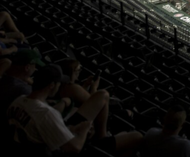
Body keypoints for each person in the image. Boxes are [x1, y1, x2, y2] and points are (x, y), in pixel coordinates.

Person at [6, 64, 141, 155]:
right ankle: (102, 139)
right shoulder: (47, 114)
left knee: (102, 95)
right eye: (59, 83)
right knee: (137, 136)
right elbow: (74, 148)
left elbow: (42, 129)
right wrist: (84, 129)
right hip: (67, 149)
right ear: (52, 86)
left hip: (55, 136)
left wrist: (71, 130)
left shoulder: (20, 100)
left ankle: (103, 135)